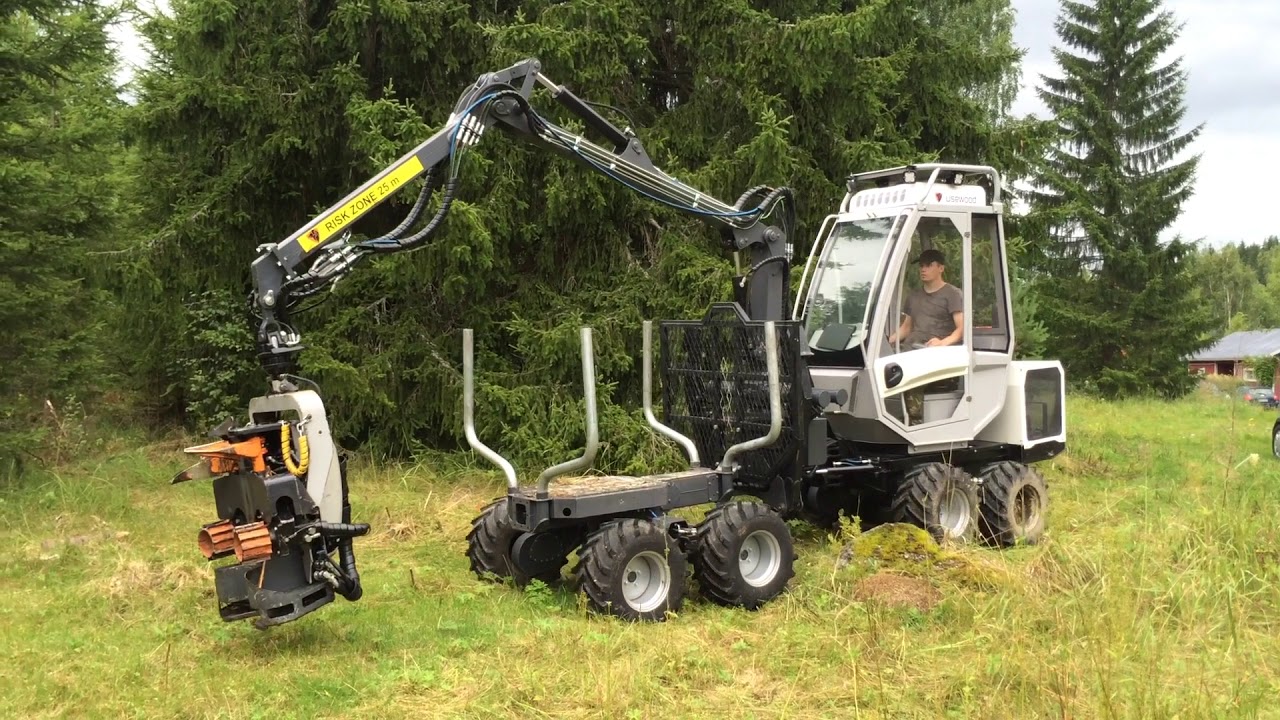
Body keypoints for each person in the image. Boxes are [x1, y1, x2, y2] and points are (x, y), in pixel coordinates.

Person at [887, 248, 964, 349]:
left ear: (941, 268)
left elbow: (962, 328)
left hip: (938, 353)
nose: (923, 269)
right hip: (911, 349)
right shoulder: (913, 296)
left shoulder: (953, 294)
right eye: (921, 266)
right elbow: (906, 327)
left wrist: (942, 343)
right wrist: (887, 342)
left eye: (929, 265)